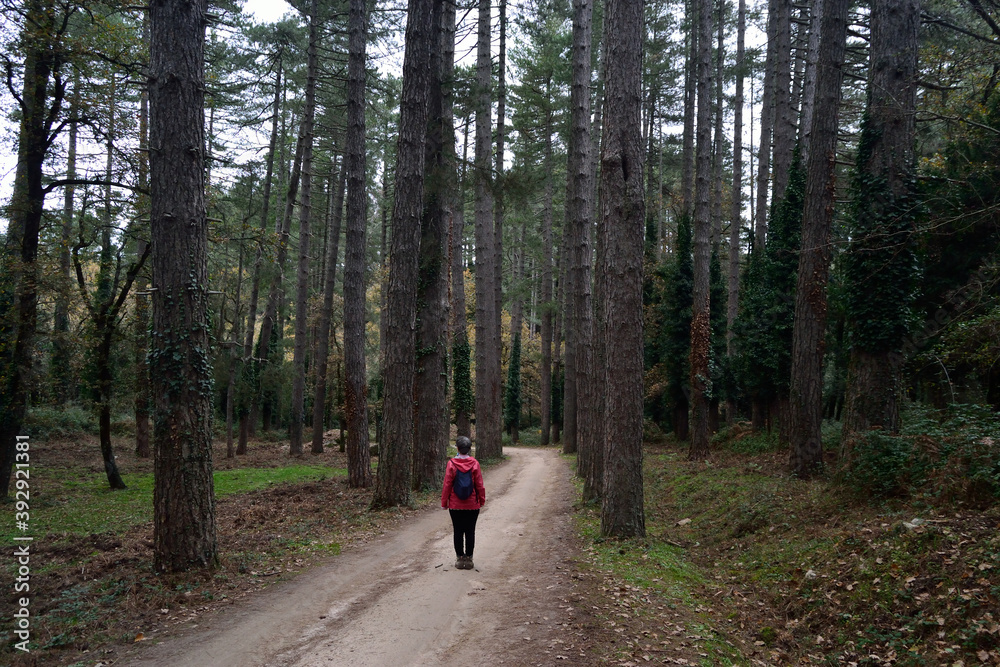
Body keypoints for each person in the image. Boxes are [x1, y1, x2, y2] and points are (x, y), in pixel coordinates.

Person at [441, 436, 486, 570]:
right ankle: (469, 559)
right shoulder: (475, 463)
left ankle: (460, 559)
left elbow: (447, 485)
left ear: (458, 448)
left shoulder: (451, 464)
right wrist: (481, 501)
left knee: (458, 531)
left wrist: (444, 502)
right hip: (472, 504)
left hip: (455, 505)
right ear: (469, 449)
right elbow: (479, 485)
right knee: (470, 531)